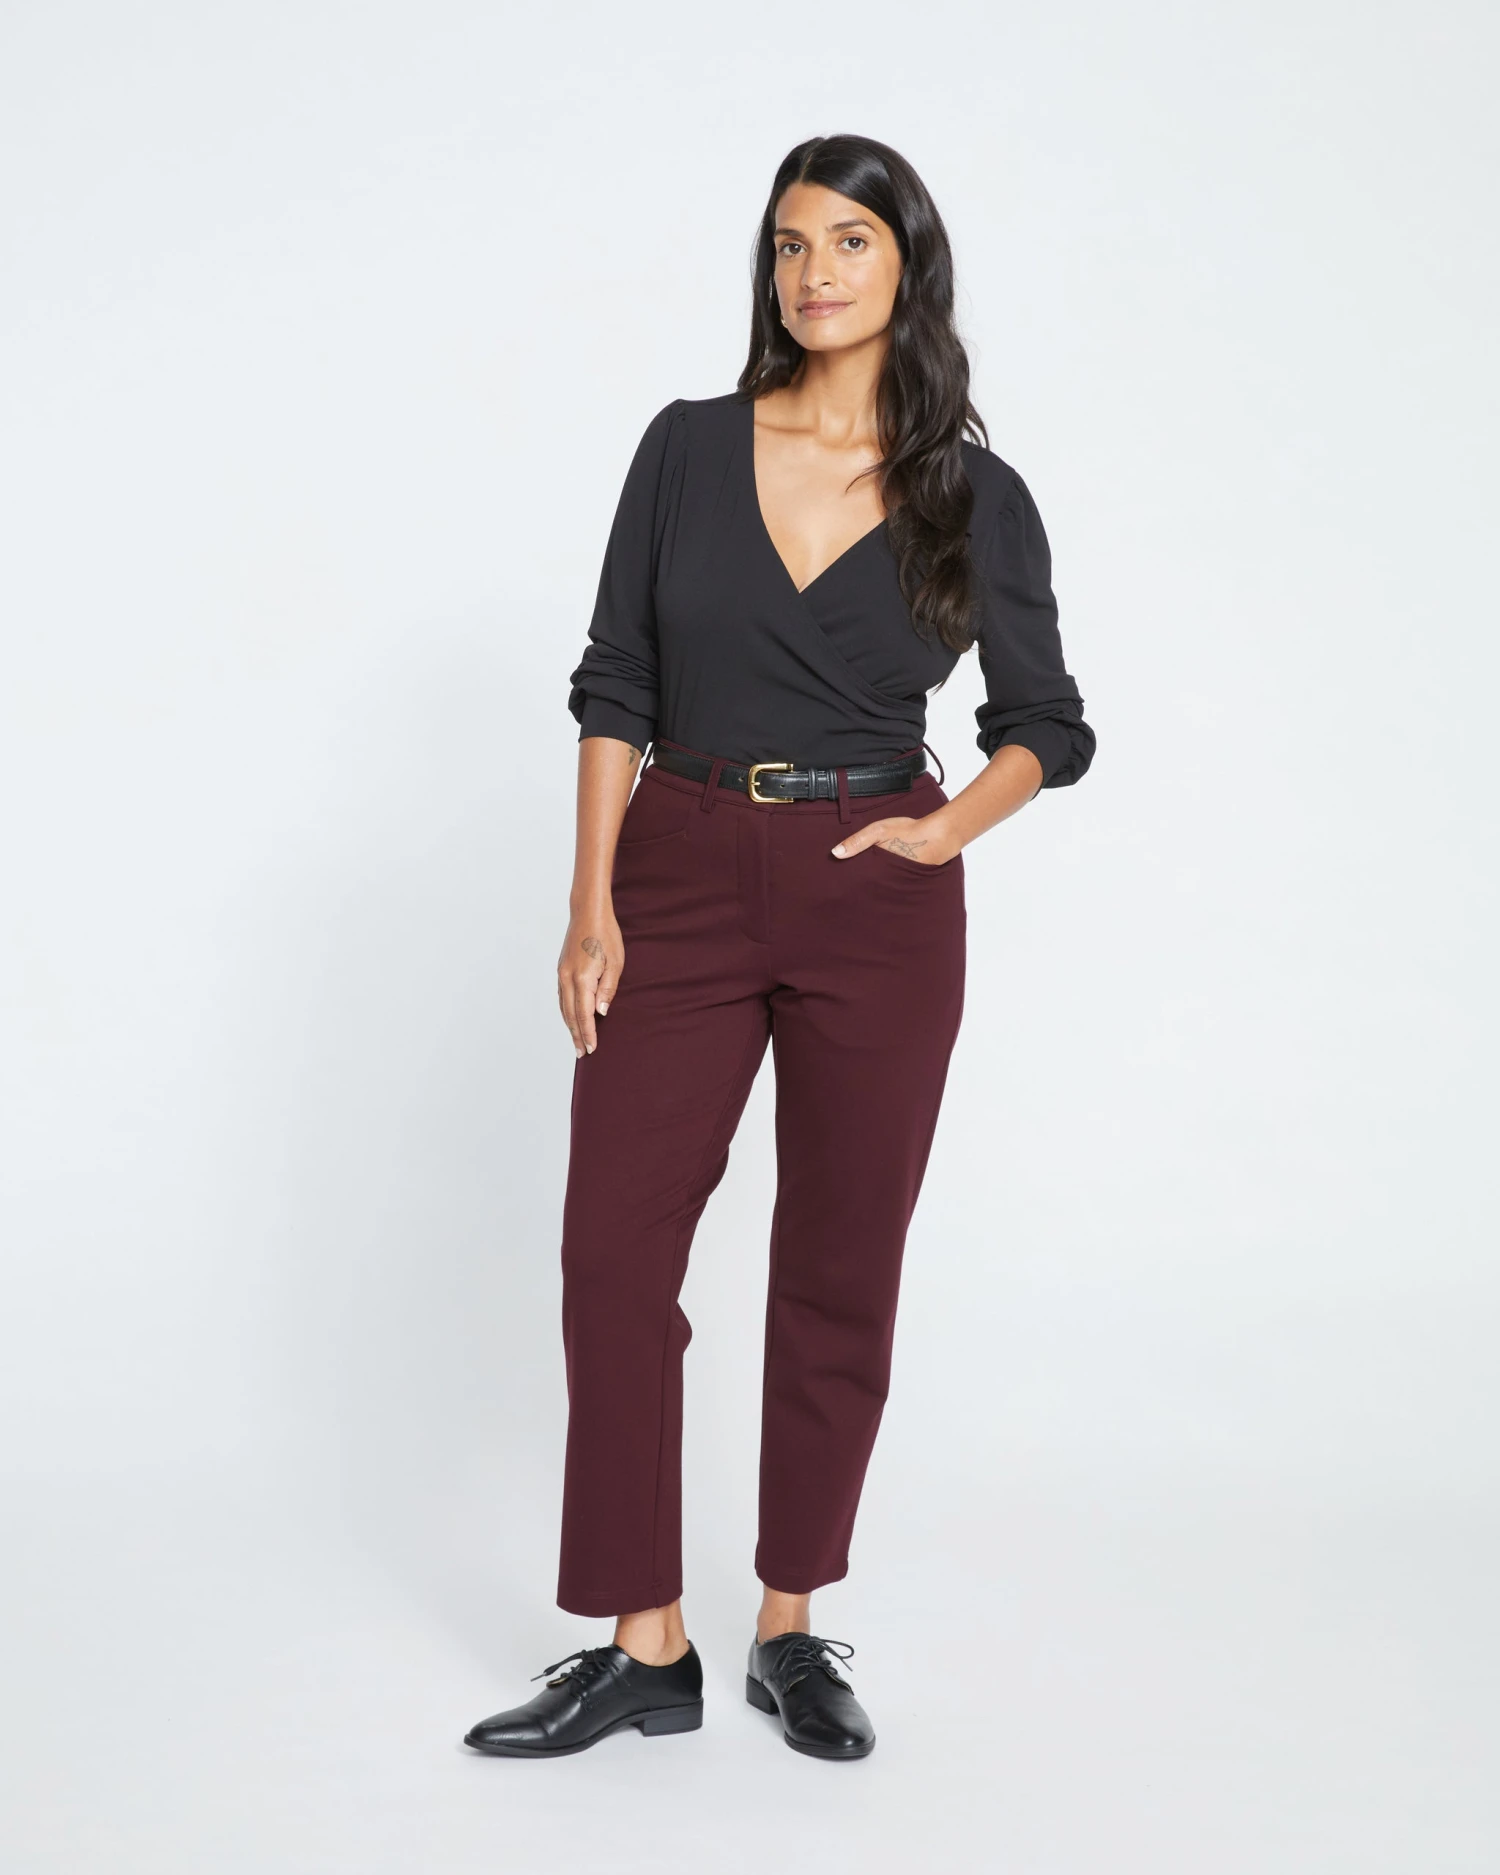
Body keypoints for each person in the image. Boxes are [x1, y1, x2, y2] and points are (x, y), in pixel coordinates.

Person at [463, 132, 1095, 1763]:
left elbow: (1045, 721)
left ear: (908, 268)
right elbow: (617, 676)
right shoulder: (685, 447)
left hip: (876, 891)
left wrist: (947, 831)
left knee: (839, 1262)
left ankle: (792, 1621)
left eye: (849, 243)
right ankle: (644, 1641)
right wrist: (591, 898)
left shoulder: (974, 493)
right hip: (675, 868)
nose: (814, 272)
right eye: (790, 244)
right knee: (613, 1253)